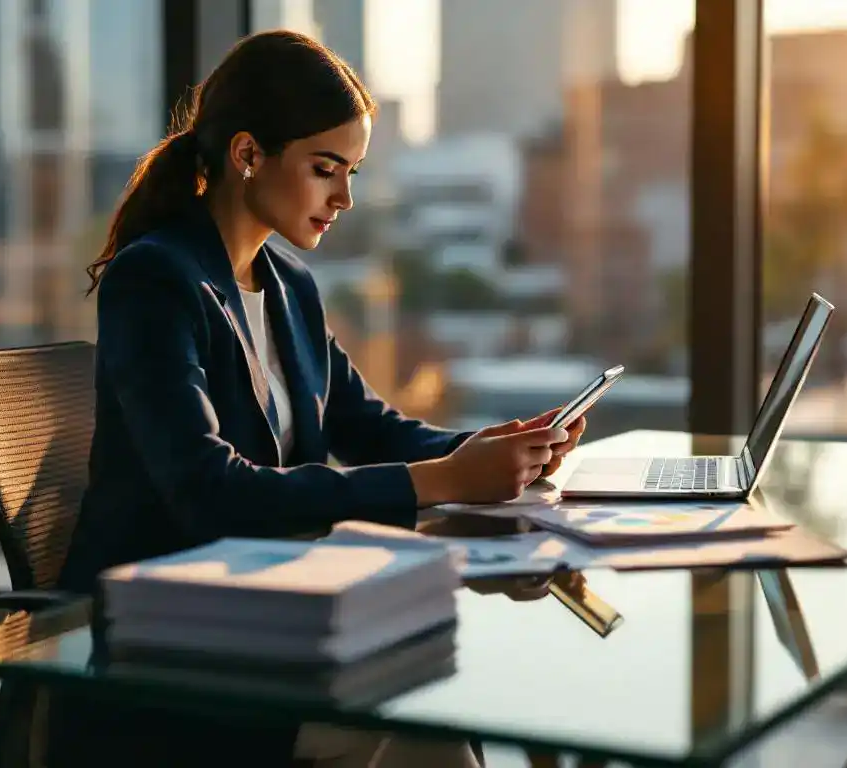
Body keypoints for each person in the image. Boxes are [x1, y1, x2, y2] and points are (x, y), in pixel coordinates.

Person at [54, 30, 587, 768]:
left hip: (270, 619)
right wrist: (442, 481)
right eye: (325, 169)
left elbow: (364, 425)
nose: (345, 197)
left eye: (354, 171)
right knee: (415, 706)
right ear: (247, 155)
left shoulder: (289, 288)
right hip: (164, 647)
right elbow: (208, 491)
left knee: (428, 697)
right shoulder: (155, 281)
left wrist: (490, 451)